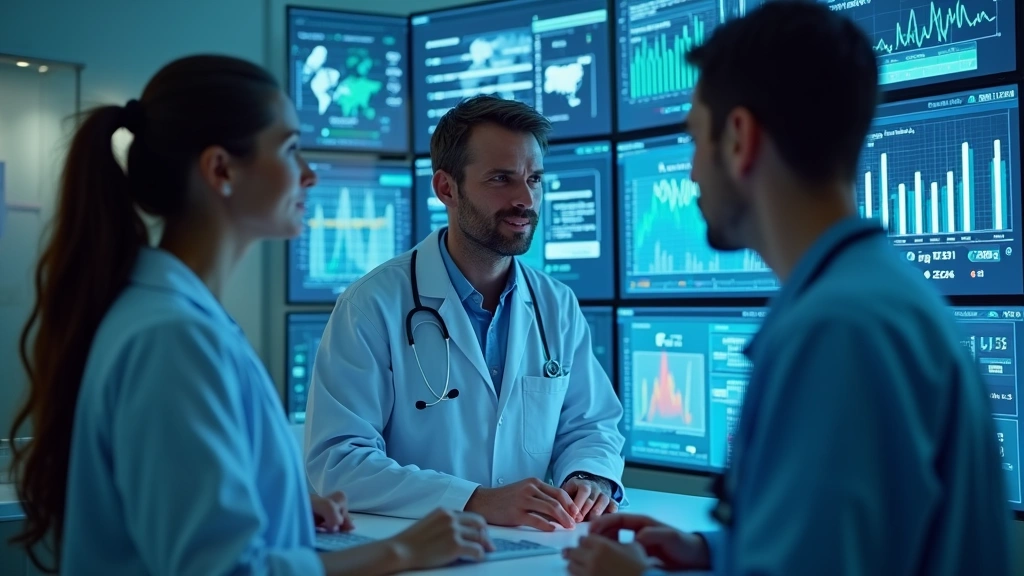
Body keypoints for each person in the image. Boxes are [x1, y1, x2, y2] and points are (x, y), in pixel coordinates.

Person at [562, 3, 1014, 576]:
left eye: (695, 140)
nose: (693, 171)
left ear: (740, 139)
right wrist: (716, 554)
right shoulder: (875, 295)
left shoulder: (839, 330)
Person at [6, 54, 496, 576]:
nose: (309, 175)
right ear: (221, 169)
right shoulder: (172, 337)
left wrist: (275, 506)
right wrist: (401, 551)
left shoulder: (172, 316)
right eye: (289, 150)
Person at [304, 95, 626, 532]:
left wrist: (588, 475)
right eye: (501, 179)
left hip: (530, 554)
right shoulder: (372, 304)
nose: (525, 199)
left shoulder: (556, 304)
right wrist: (474, 501)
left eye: (534, 178)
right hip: (417, 552)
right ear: (446, 188)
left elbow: (590, 424)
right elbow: (339, 461)